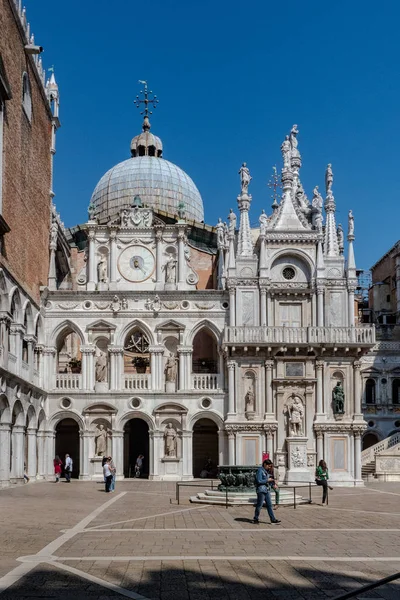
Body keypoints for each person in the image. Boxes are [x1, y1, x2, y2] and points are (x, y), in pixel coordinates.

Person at [253, 459, 281, 525]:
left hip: (267, 490)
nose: (269, 467)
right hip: (261, 490)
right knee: (259, 505)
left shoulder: (265, 471)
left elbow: (267, 480)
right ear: (265, 464)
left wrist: (273, 483)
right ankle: (255, 518)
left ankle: (273, 519)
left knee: (269, 505)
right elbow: (259, 481)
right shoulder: (260, 470)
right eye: (269, 466)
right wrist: (267, 480)